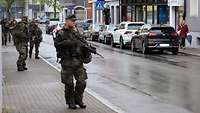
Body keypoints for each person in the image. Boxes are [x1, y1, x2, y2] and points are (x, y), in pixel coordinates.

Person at [54, 15, 88, 109]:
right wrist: (68, 42)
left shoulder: (77, 32)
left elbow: (83, 43)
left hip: (78, 61)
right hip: (67, 62)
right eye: (72, 21)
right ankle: (70, 101)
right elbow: (57, 45)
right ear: (67, 21)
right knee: (69, 84)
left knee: (82, 82)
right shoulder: (61, 33)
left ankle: (78, 99)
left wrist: (87, 51)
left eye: (74, 21)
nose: (74, 22)